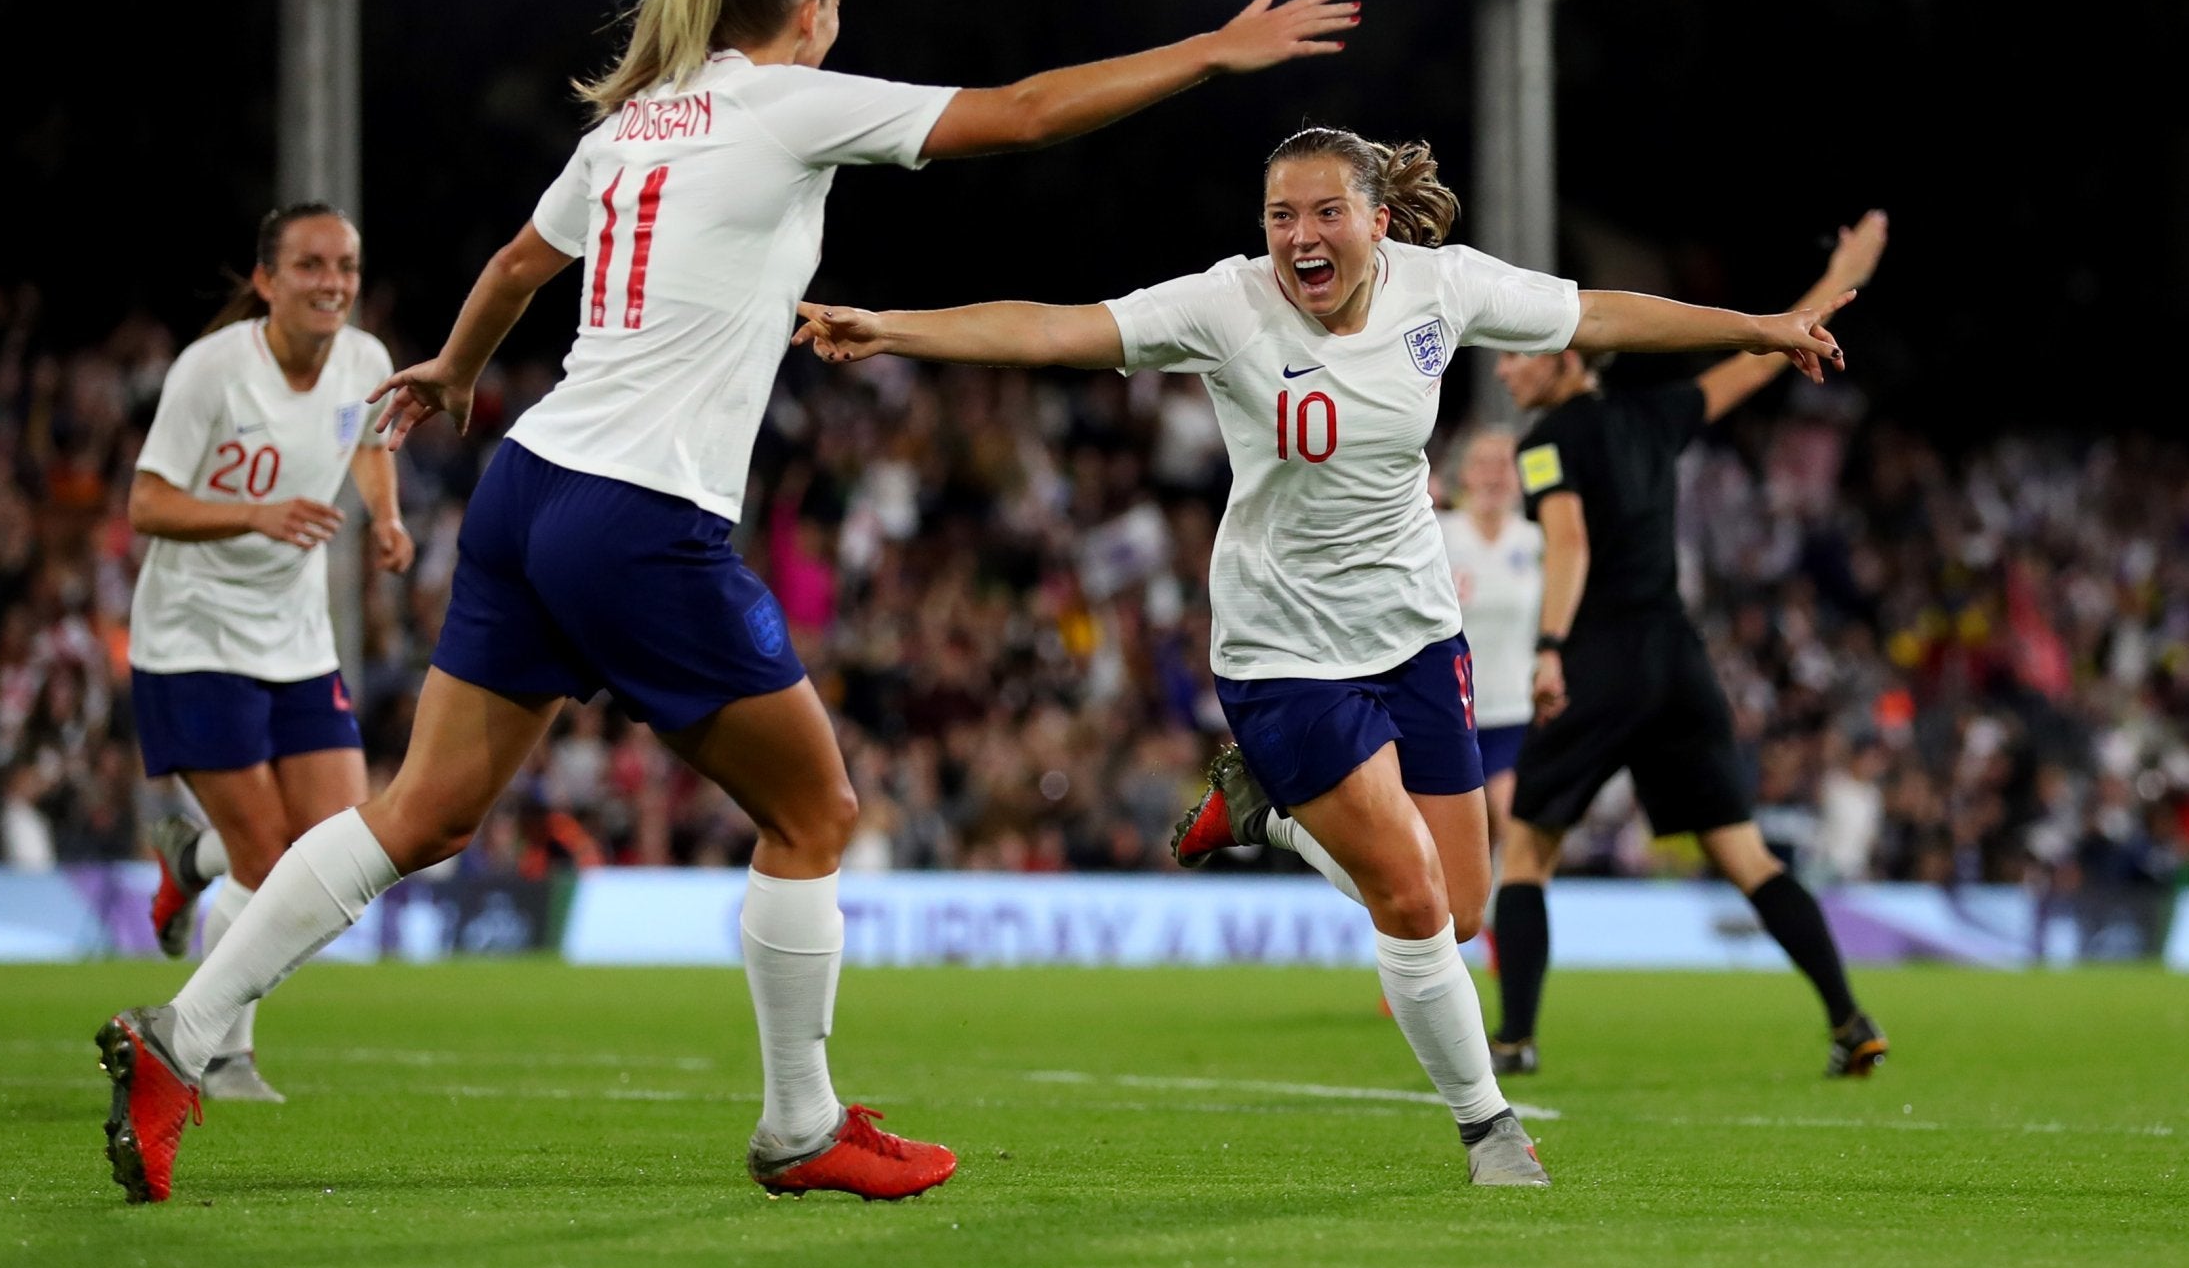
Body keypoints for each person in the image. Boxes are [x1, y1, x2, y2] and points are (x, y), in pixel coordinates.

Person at [95, 0, 1360, 1205]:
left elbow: (522, 262)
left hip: (529, 488)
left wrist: (460, 376)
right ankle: (800, 1126)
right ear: (810, 12)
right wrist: (1209, 52)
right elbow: (1024, 111)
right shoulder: (785, 102)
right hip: (639, 516)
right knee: (816, 813)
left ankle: (178, 1038)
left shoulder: (629, 124)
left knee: (419, 813)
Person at [793, 125, 1855, 1189]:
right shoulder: (1227, 306)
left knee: (1466, 906)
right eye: (1278, 217)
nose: (1298, 237)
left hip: (1415, 633)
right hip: (1281, 645)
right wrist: (892, 328)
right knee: (1407, 897)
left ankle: (1271, 813)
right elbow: (1055, 331)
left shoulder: (1439, 289)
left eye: (1323, 214)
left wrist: (1759, 328)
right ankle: (1487, 1127)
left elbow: (1601, 313)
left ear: (1374, 222)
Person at [1487, 212, 1892, 1079]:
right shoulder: (1654, 418)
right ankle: (1849, 1020)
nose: (1502, 366)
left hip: (1599, 660)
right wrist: (1835, 284)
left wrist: (1551, 644)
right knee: (1743, 854)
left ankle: (1514, 1038)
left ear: (1564, 358)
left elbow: (1568, 545)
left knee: (1525, 852)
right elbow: (1754, 363)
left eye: (1517, 352)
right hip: (1678, 661)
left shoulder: (1545, 443)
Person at [128, 203, 412, 1105]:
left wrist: (388, 515)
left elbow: (364, 441)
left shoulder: (365, 360)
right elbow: (146, 503)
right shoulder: (212, 372)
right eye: (311, 265)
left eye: (346, 266)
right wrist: (256, 513)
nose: (332, 282)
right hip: (194, 637)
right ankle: (220, 1055)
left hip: (295, 639)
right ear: (266, 279)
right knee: (266, 859)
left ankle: (191, 864)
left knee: (339, 855)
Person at [1434, 430, 1543, 847]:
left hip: (1515, 711)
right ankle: (1468, 914)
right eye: (1482, 463)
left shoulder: (1539, 540)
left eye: (1503, 464)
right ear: (1464, 473)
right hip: (1452, 711)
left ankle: (1509, 910)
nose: (1493, 475)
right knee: (1464, 838)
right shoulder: (1438, 535)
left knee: (1515, 826)